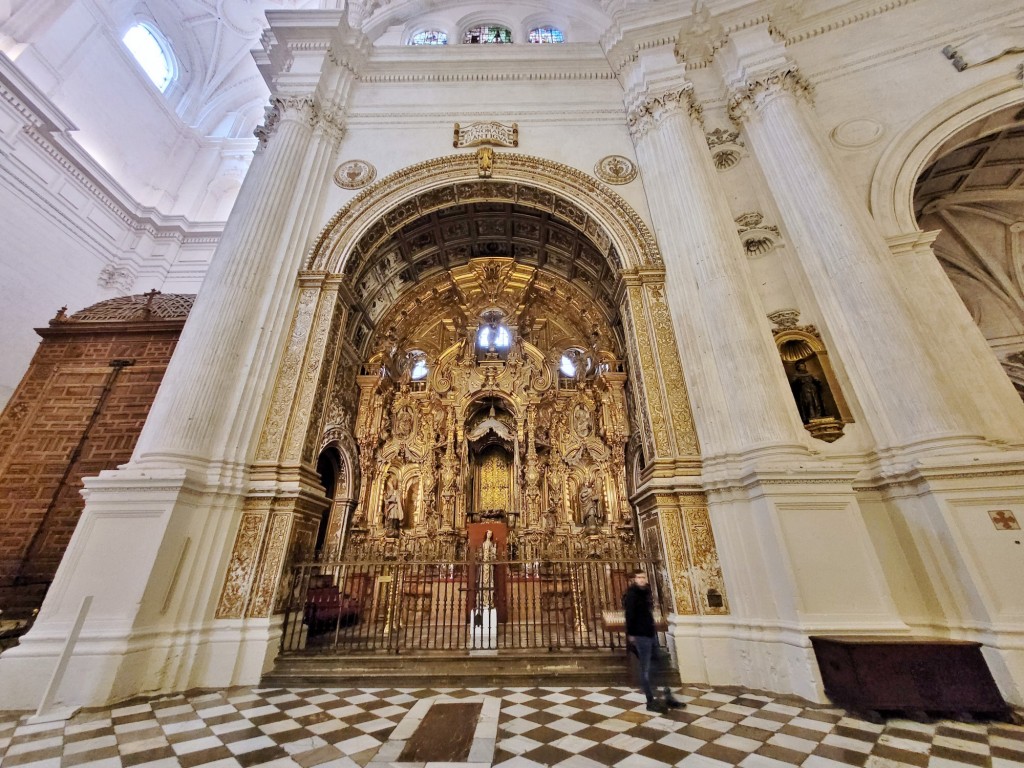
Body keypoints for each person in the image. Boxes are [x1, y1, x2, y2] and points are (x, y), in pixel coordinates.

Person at [623, 570, 685, 713]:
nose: (642, 579)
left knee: (660, 667)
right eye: (639, 577)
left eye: (644, 577)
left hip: (650, 633)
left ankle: (668, 696)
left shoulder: (645, 593)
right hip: (640, 635)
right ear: (634, 579)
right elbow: (629, 615)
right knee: (646, 669)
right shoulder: (632, 595)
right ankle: (650, 701)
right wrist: (631, 634)